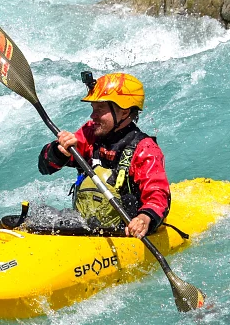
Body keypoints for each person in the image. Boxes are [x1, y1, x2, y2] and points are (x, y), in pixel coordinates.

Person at [37, 71, 170, 239]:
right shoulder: (89, 134)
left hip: (124, 232)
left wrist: (144, 218)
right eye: (93, 108)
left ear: (124, 112)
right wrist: (59, 151)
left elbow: (158, 195)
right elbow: (45, 167)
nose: (93, 115)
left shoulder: (145, 148)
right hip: (85, 225)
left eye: (100, 109)